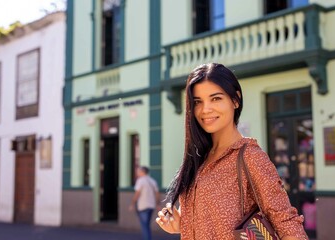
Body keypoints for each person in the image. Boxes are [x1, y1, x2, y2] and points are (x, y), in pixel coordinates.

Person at [155, 63, 308, 239]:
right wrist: (182, 224)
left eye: (216, 98)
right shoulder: (199, 159)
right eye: (198, 102)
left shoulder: (250, 157)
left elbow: (287, 223)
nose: (205, 109)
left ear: (235, 100)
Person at [129, 166, 160, 240]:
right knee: (147, 225)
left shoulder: (140, 181)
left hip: (143, 206)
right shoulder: (153, 181)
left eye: (138, 171)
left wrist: (132, 204)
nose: (137, 173)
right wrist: (157, 204)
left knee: (144, 226)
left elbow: (137, 193)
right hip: (151, 206)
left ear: (142, 172)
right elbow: (157, 193)